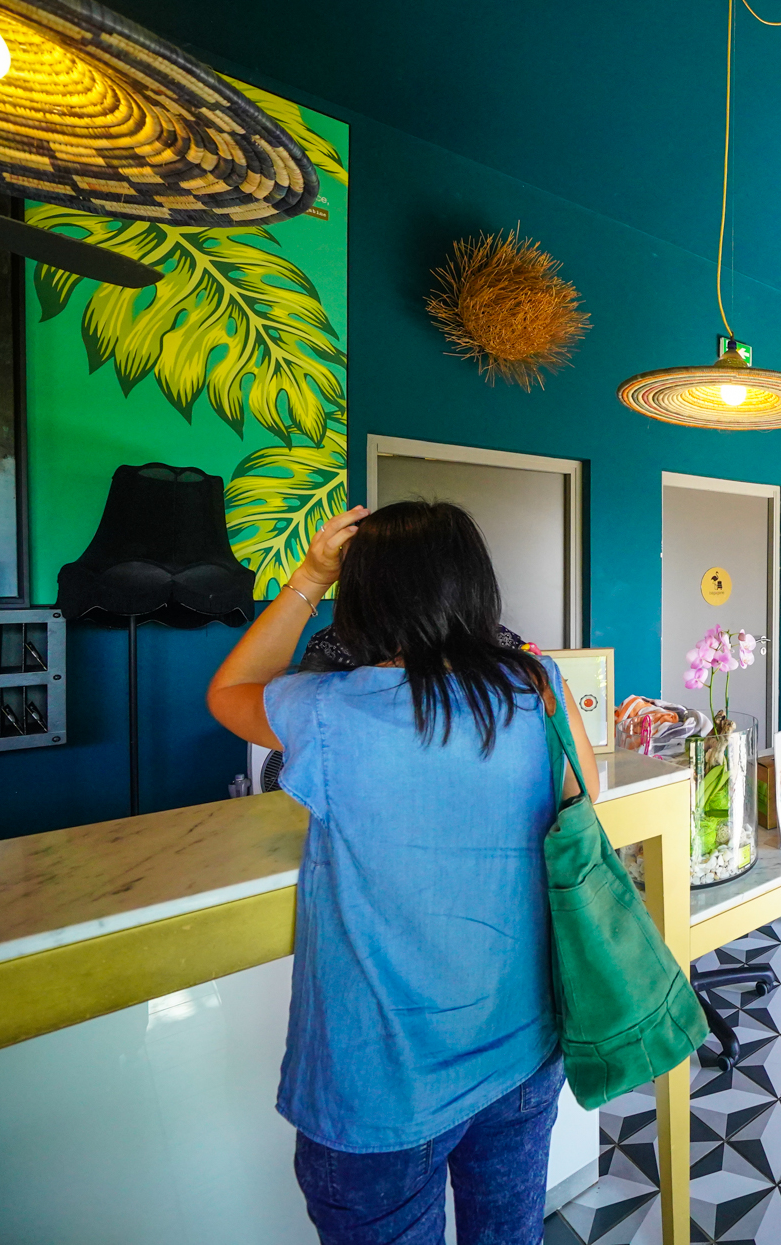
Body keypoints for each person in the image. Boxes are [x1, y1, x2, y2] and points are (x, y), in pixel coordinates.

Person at [207, 500, 599, 1245]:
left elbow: (228, 692)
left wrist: (309, 578)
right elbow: (584, 799)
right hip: (522, 1056)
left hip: (380, 1092)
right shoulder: (536, 685)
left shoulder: (326, 710)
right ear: (476, 586)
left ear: (364, 596)